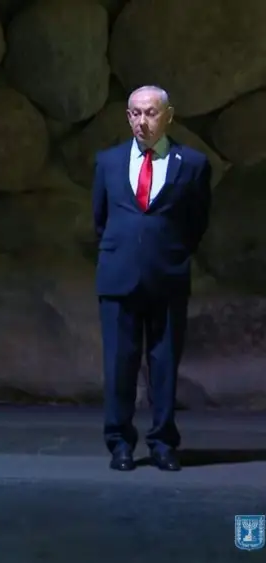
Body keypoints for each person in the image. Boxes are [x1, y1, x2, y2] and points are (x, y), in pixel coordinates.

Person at [92, 85, 212, 472]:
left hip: (168, 277)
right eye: (135, 113)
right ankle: (120, 443)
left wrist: (171, 254)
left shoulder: (192, 164)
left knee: (164, 364)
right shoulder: (108, 162)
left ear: (168, 116)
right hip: (119, 277)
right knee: (119, 364)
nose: (142, 121)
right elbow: (100, 218)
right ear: (128, 117)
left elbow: (197, 222)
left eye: (151, 113)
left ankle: (163, 442)